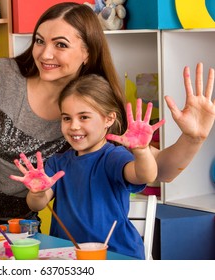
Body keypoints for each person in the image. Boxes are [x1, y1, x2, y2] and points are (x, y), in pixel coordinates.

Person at [0, 2, 215, 229]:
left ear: (87, 52)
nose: (45, 53)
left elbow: (158, 172)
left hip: (20, 227)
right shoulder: (4, 75)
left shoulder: (92, 105)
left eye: (60, 45)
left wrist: (193, 137)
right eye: (39, 41)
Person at [10, 74, 165, 259]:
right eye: (66, 118)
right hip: (67, 254)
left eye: (84, 117)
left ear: (109, 119)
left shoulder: (113, 157)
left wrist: (141, 150)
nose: (74, 126)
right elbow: (37, 204)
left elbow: (144, 175)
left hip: (115, 255)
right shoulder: (58, 162)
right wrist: (36, 192)